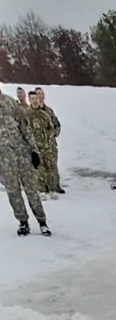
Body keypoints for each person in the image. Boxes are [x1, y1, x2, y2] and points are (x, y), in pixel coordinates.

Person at [0, 87, 52, 236]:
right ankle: (23, 222)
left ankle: (42, 222)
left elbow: (25, 128)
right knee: (13, 191)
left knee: (31, 190)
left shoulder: (10, 103)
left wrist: (34, 151)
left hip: (22, 153)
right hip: (4, 158)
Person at [26, 91, 58, 197]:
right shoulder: (27, 115)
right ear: (29, 100)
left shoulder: (45, 115)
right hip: (35, 147)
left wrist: (49, 142)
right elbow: (25, 131)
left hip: (47, 146)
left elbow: (51, 129)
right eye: (32, 99)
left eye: (36, 98)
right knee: (38, 169)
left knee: (50, 167)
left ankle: (52, 188)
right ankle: (42, 190)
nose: (35, 101)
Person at [35, 86, 64, 194]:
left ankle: (55, 186)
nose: (40, 96)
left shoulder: (49, 111)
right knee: (40, 168)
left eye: (42, 94)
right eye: (38, 94)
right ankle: (43, 188)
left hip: (50, 145)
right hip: (38, 145)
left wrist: (53, 134)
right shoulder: (32, 112)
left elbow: (57, 125)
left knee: (52, 166)